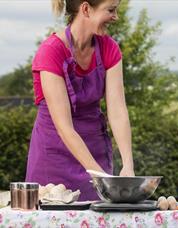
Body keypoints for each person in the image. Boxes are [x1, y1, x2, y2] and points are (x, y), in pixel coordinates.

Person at [25, 0, 134, 201]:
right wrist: (101, 177)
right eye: (110, 10)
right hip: (53, 158)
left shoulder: (109, 48)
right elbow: (64, 127)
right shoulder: (51, 52)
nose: (115, 17)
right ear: (86, 9)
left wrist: (128, 164)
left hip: (95, 150)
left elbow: (117, 110)